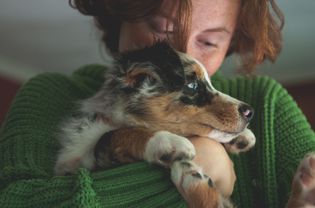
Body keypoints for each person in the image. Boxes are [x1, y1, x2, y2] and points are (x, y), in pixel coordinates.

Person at [0, 0, 314, 207]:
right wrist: (195, 170)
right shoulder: (51, 93)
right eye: (162, 30)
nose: (182, 51)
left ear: (231, 42)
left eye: (208, 42)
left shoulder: (267, 103)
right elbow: (16, 200)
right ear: (123, 12)